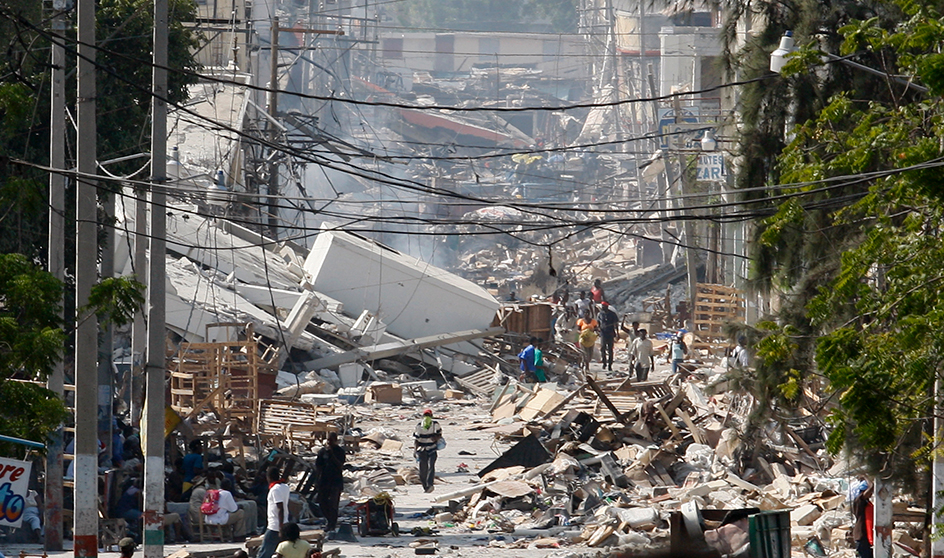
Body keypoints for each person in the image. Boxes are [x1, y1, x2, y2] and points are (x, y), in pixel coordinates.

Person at [257, 466, 291, 558]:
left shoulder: (275, 489)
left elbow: (280, 508)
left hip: (275, 526)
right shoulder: (285, 487)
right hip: (284, 523)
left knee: (264, 553)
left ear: (269, 477)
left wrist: (280, 528)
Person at [315, 432, 345, 531]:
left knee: (333, 504)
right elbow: (318, 467)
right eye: (328, 440)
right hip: (324, 481)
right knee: (322, 503)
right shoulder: (322, 452)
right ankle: (329, 520)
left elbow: (340, 465)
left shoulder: (339, 451)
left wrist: (332, 454)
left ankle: (332, 524)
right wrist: (317, 481)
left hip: (335, 482)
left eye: (331, 440)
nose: (329, 442)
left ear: (335, 441)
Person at [413, 409, 442, 493]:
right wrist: (415, 450)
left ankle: (430, 484)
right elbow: (416, 440)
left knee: (431, 466)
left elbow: (439, 434)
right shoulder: (419, 426)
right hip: (422, 450)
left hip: (432, 448)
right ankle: (425, 486)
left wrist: (435, 438)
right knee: (423, 468)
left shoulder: (435, 424)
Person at [851, 478, 874, 558]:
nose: (871, 494)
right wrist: (866, 476)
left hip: (865, 536)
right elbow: (871, 487)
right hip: (861, 535)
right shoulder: (859, 500)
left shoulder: (866, 502)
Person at [597, 302, 618, 371]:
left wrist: (617, 332)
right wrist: (598, 329)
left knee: (610, 349)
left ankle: (610, 364)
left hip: (610, 333)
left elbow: (616, 324)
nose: (602, 307)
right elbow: (598, 323)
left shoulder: (612, 314)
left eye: (604, 306)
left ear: (607, 306)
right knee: (602, 348)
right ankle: (604, 362)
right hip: (603, 333)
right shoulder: (600, 314)